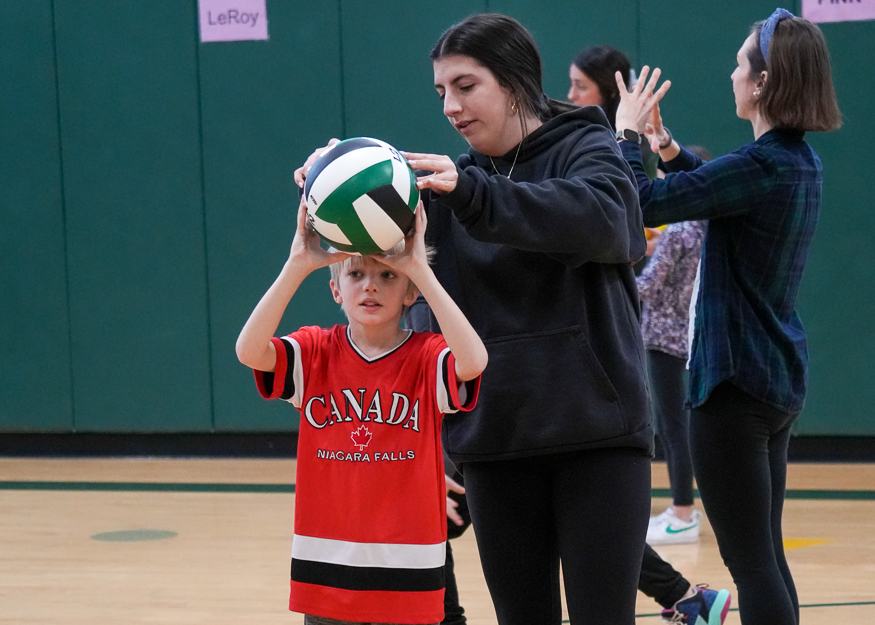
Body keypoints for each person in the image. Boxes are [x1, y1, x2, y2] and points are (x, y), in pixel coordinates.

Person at [304, 13, 653, 625]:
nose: (450, 106)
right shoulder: (443, 188)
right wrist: (325, 185)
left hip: (596, 438)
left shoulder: (585, 147)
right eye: (441, 92)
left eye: (466, 86)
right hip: (494, 442)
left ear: (515, 82)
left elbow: (608, 224)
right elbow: (388, 284)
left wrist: (472, 195)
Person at [614, 8, 842, 625]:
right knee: (765, 554)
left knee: (753, 563)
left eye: (742, 64)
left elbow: (640, 202)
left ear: (764, 82)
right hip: (772, 380)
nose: (732, 72)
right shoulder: (792, 161)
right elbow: (716, 186)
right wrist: (665, 147)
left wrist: (627, 137)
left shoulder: (762, 166)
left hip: (733, 386)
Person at [235, 202, 488, 625]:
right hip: (328, 565)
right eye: (356, 274)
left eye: (387, 275)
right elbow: (249, 351)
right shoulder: (315, 351)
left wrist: (420, 269)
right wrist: (298, 264)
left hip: (409, 567)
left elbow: (474, 361)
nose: (370, 286)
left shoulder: (426, 357)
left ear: (410, 293)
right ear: (336, 290)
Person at [637, 152, 709, 545]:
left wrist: (604, 279)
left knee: (672, 427)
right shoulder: (703, 227)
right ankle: (684, 508)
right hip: (688, 335)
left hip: (663, 339)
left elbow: (647, 285)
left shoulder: (679, 230)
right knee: (679, 425)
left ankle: (682, 511)